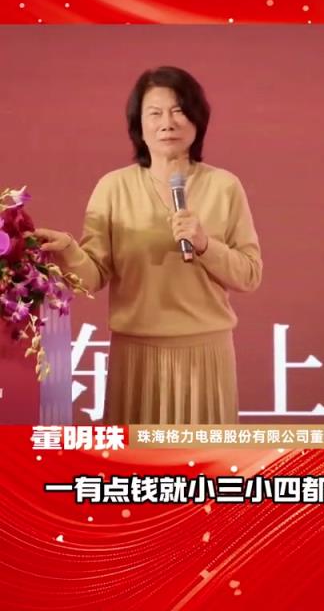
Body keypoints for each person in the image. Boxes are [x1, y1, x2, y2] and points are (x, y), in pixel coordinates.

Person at [33, 66, 262, 424]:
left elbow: (249, 275)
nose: (167, 123)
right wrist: (69, 251)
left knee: (206, 459)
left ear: (197, 119)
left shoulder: (225, 186)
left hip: (206, 354)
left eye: (178, 111)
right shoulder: (113, 187)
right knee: (135, 457)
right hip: (135, 355)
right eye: (155, 113)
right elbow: (93, 276)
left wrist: (205, 245)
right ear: (138, 126)